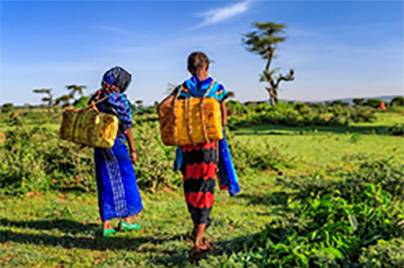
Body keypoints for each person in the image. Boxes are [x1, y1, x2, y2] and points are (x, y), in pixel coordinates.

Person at [174, 52, 229, 252]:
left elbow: (166, 109)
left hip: (188, 147)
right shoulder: (218, 89)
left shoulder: (182, 89)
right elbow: (223, 119)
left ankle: (197, 226)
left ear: (189, 68)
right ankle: (199, 237)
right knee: (205, 188)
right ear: (207, 66)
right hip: (208, 147)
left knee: (191, 187)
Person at [89, 66, 143, 237]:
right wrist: (133, 150)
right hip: (116, 144)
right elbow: (126, 128)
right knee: (127, 180)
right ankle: (126, 221)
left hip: (99, 144)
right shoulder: (118, 100)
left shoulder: (97, 97)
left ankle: (106, 225)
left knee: (105, 181)